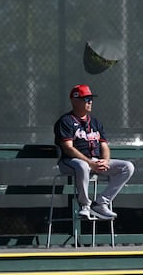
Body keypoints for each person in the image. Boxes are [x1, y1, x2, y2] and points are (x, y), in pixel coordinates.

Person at [54, 84, 135, 222]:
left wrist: (105, 160)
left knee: (127, 167)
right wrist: (90, 163)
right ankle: (85, 205)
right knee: (82, 166)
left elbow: (104, 145)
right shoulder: (65, 121)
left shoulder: (95, 122)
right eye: (85, 99)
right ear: (74, 101)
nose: (90, 101)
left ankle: (100, 203)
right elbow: (68, 148)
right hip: (70, 162)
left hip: (94, 161)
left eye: (90, 98)